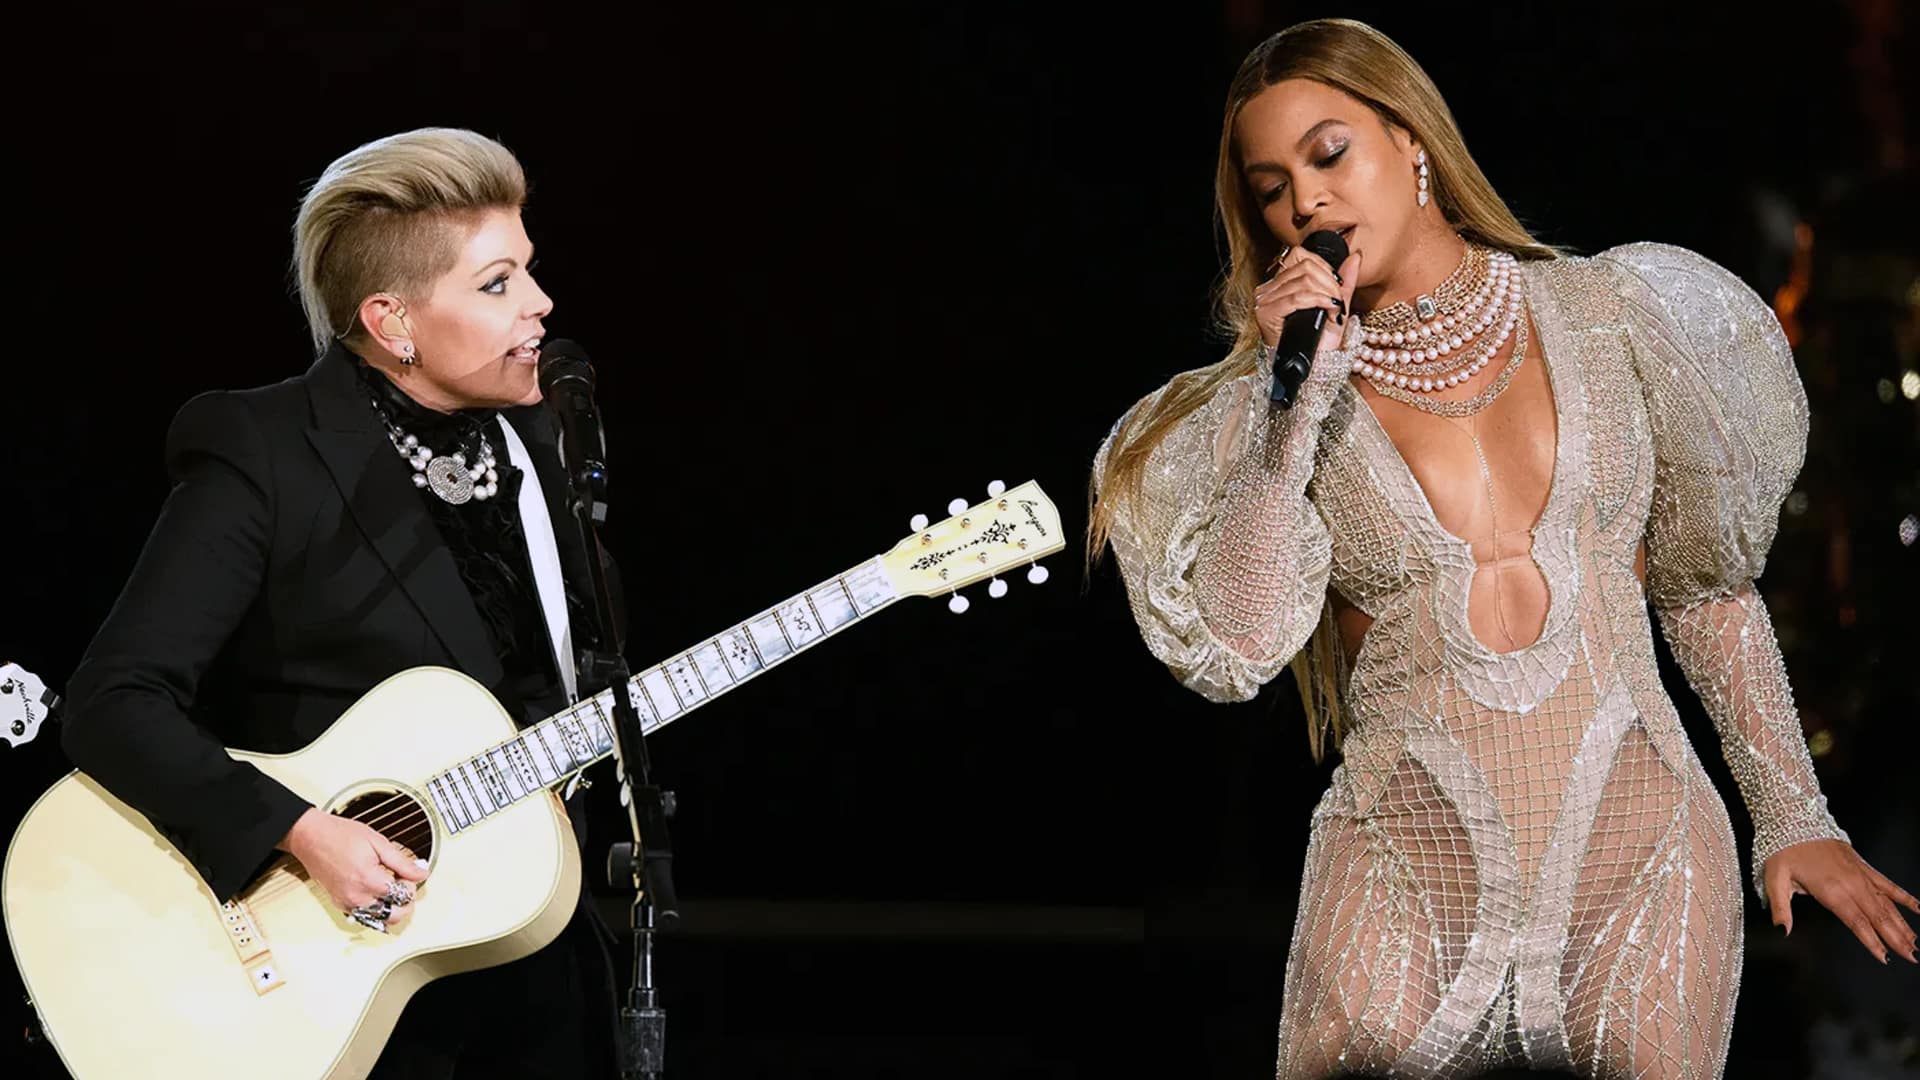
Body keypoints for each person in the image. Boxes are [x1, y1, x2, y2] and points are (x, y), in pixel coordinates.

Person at [1089, 19, 1917, 1079]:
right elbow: (1239, 645)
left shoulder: (1608, 315)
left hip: (1641, 857)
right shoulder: (1273, 410)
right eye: (1272, 188)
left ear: (1412, 141)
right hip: (1405, 873)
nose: (1307, 202)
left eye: (1330, 154)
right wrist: (1290, 417)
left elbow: (1702, 590)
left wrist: (1793, 812)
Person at [61, 127, 620, 1077]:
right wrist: (302, 830)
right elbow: (114, 703)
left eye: (528, 270)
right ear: (393, 321)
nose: (541, 303)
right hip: (340, 970)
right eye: (498, 284)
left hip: (528, 963)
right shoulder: (266, 449)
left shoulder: (539, 449)